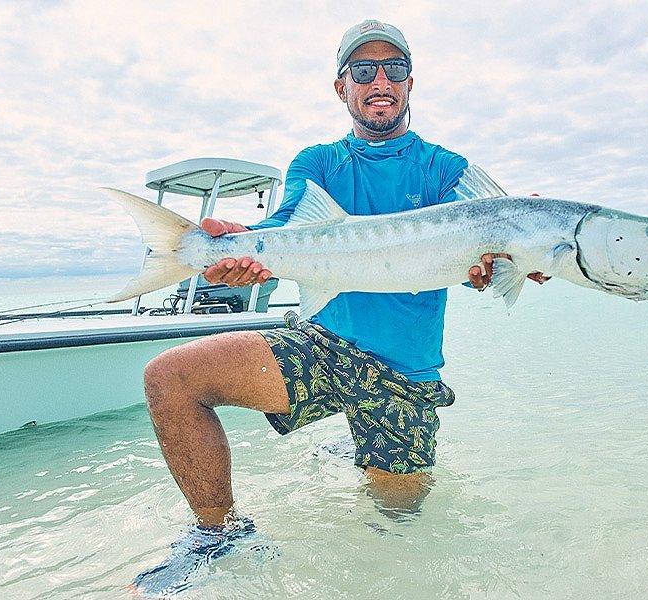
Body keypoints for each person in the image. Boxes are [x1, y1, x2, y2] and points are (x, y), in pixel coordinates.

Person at [132, 19, 547, 594]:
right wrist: (239, 242)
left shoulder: (443, 168)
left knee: (400, 523)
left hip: (407, 371)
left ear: (410, 83)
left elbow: (482, 248)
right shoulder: (319, 161)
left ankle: (356, 441)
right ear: (341, 86)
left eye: (394, 68)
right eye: (363, 70)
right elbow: (285, 229)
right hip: (323, 343)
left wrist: (514, 254)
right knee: (169, 377)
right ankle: (217, 534)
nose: (380, 80)